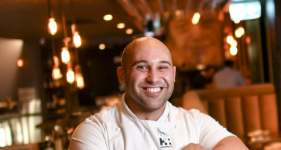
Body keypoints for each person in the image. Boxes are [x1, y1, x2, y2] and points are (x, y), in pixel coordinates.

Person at [69, 37, 248, 150]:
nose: (154, 78)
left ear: (173, 74)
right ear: (122, 75)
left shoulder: (194, 121)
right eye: (141, 67)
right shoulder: (95, 132)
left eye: (162, 67)